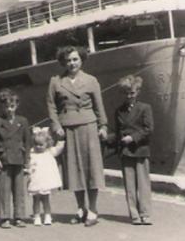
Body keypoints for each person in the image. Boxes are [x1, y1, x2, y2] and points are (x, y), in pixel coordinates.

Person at [46, 46, 108, 227]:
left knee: (91, 169)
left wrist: (103, 125)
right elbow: (51, 105)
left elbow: (99, 105)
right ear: (63, 63)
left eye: (75, 59)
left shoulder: (91, 81)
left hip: (88, 126)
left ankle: (93, 209)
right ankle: (80, 208)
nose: (71, 63)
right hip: (67, 128)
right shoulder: (56, 81)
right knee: (74, 170)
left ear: (81, 60)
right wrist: (56, 125)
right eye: (68, 60)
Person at [114, 75, 154, 225]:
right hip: (125, 151)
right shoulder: (119, 111)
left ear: (138, 92)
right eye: (126, 93)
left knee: (143, 184)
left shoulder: (145, 108)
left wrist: (133, 138)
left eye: (132, 93)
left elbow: (148, 129)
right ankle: (134, 215)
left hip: (140, 149)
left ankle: (145, 214)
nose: (129, 96)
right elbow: (117, 131)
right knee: (129, 185)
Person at [0, 89, 32, 229]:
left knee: (19, 189)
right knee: (4, 189)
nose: (9, 109)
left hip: (19, 159)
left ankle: (19, 217)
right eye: (6, 106)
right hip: (4, 159)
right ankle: (5, 217)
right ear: (2, 107)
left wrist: (27, 160)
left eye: (12, 106)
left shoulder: (23, 121)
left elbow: (27, 141)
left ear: (17, 106)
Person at [27, 127, 64, 226]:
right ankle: (37, 216)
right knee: (36, 200)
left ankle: (47, 215)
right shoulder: (31, 152)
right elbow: (27, 163)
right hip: (35, 180)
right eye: (36, 144)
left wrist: (61, 139)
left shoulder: (49, 152)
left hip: (45, 181)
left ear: (47, 144)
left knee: (46, 199)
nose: (38, 147)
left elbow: (59, 148)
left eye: (41, 145)